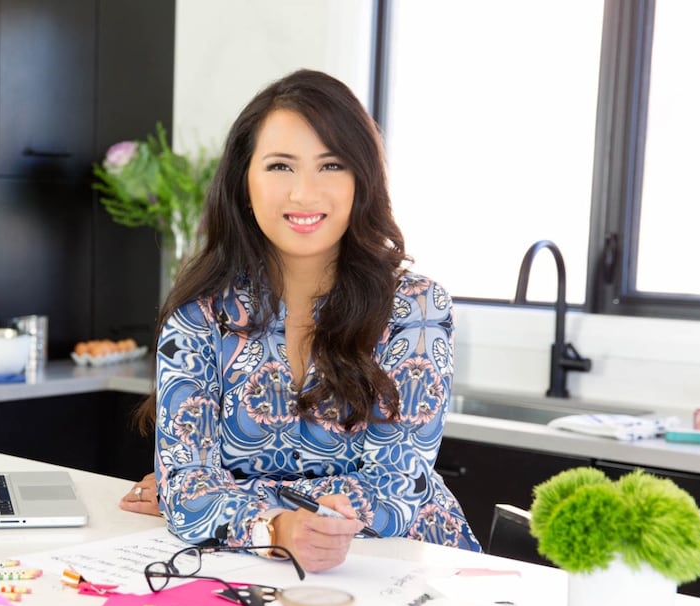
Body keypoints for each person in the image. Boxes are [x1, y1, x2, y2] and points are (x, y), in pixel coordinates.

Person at [141, 69, 480, 573]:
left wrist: (240, 502)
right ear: (243, 179)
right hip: (263, 569)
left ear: (361, 179)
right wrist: (263, 526)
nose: (304, 193)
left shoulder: (417, 308)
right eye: (280, 166)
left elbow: (395, 487)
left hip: (411, 568)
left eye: (331, 165)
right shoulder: (199, 316)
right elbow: (187, 488)